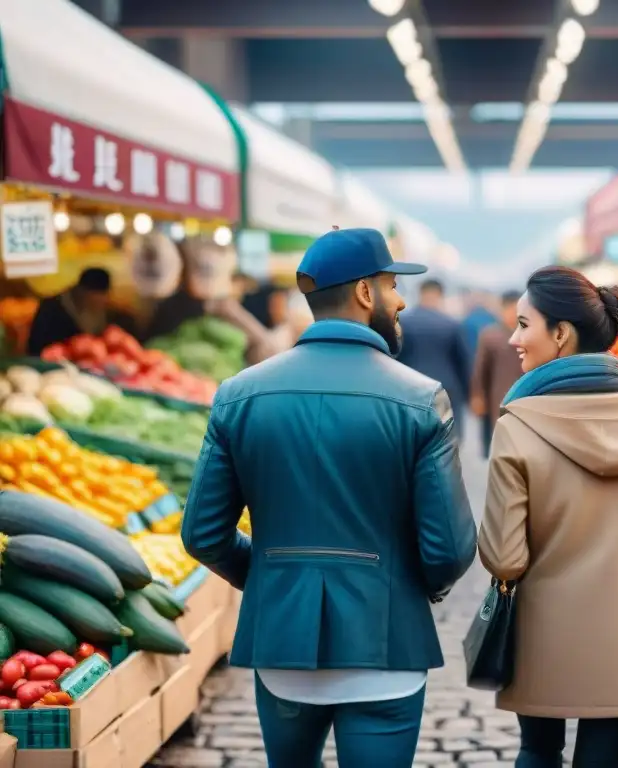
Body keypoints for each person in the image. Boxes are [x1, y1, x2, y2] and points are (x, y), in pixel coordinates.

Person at [180, 227, 478, 768]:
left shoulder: (238, 395)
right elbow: (450, 550)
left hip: (283, 648)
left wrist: (272, 574)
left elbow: (202, 534)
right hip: (385, 646)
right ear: (365, 293)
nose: (401, 299)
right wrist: (411, 584)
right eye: (392, 285)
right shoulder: (419, 399)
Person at [477, 265, 618, 768]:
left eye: (523, 325)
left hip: (543, 637)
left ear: (561, 334)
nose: (514, 338)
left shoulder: (518, 427)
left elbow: (503, 557)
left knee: (537, 752)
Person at [397, 280, 472, 438]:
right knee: (448, 438)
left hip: (410, 388)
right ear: (439, 295)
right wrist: (468, 393)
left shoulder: (403, 322)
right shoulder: (451, 324)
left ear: (421, 293)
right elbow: (463, 362)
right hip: (446, 390)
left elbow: (395, 357)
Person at [27, 267, 137, 355]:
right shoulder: (52, 309)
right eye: (93, 297)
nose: (98, 302)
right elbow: (37, 348)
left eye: (103, 297)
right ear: (80, 292)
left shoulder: (115, 314)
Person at [470, 291, 523, 456]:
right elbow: (480, 369)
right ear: (502, 309)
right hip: (499, 397)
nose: (513, 315)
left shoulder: (529, 334)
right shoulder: (491, 335)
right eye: (510, 309)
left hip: (526, 396)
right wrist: (477, 396)